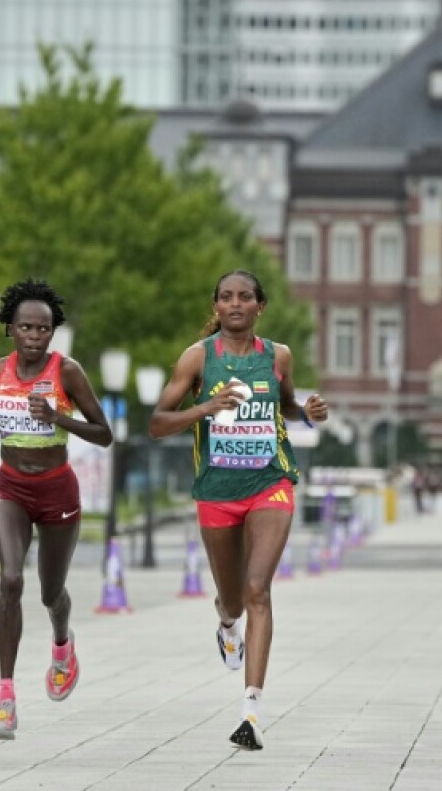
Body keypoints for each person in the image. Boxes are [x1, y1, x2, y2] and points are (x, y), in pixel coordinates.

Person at [149, 269, 329, 751]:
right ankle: (227, 626)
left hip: (270, 481)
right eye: (226, 297)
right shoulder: (198, 359)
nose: (235, 304)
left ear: (259, 307)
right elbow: (158, 423)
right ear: (216, 307)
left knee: (258, 590)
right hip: (217, 491)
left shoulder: (278, 356)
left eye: (244, 297)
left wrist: (307, 412)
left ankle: (250, 712)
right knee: (232, 600)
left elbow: (284, 407)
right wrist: (204, 410)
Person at [0, 279, 113, 740]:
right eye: (26, 327)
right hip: (11, 487)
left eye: (43, 329)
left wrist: (57, 418)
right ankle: (5, 699)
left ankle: (62, 645)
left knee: (51, 594)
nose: (34, 336)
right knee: (10, 579)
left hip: (57, 493)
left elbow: (104, 432)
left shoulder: (67, 372)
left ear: (53, 333)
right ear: (10, 329)